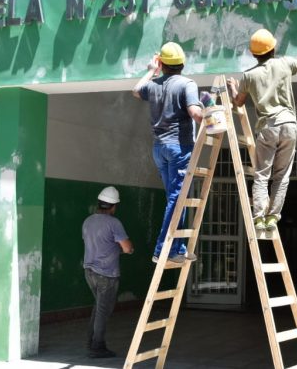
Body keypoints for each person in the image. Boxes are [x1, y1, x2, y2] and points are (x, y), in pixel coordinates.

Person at [227, 29, 297, 231]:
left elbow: (238, 104)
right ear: (273, 48)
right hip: (289, 126)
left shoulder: (249, 75)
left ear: (253, 54)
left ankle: (259, 217)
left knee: (261, 175)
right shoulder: (285, 63)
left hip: (267, 127)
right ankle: (272, 217)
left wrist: (233, 87)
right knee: (282, 175)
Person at [133, 42, 203, 263]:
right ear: (183, 63)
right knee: (176, 198)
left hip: (159, 149)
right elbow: (195, 113)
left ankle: (178, 247)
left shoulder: (153, 85)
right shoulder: (187, 84)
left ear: (162, 64)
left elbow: (135, 91)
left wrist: (151, 70)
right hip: (179, 148)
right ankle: (162, 249)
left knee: (175, 199)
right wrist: (210, 112)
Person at [82, 186, 134, 358]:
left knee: (99, 308)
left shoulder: (88, 221)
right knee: (103, 311)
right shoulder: (114, 223)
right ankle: (97, 346)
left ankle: (92, 342)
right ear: (113, 206)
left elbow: (96, 245)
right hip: (107, 274)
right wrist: (129, 249)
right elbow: (127, 248)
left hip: (89, 271)